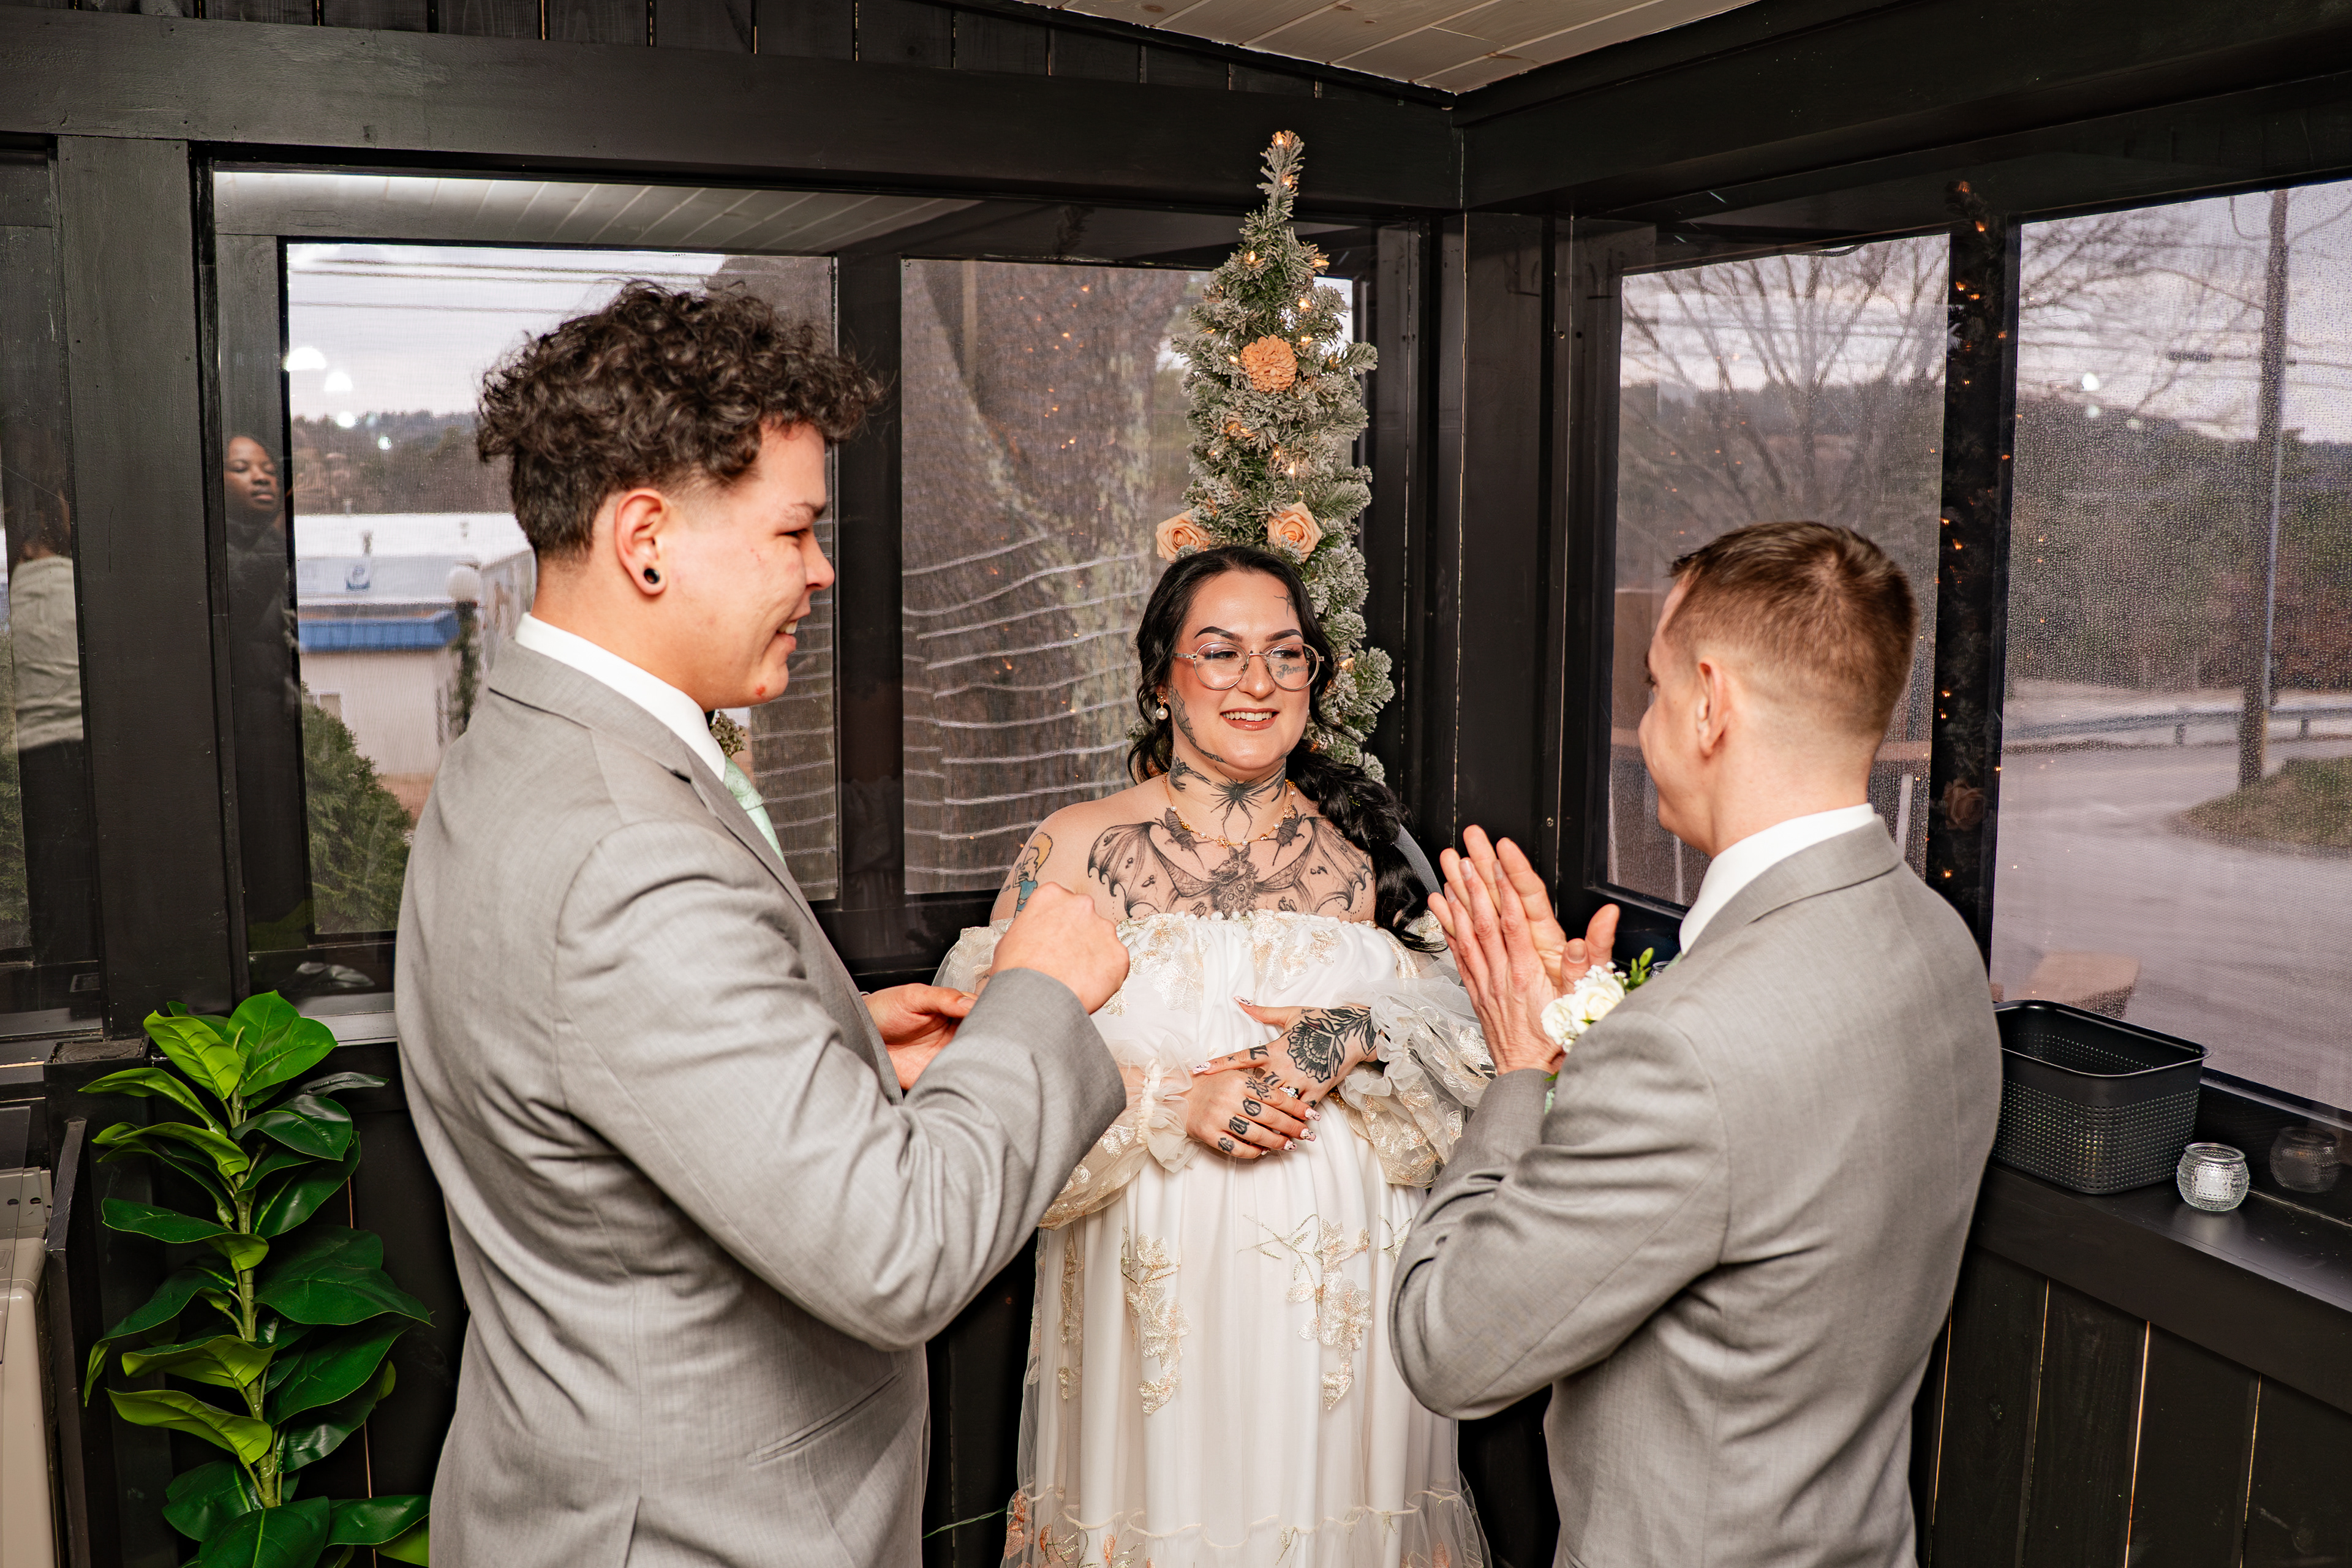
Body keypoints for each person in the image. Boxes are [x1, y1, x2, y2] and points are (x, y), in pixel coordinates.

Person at [394, 282, 1133, 1567]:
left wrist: (833, 1040)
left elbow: (602, 1058)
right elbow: (899, 1250)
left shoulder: (521, 738)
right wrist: (1040, 994)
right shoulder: (625, 852)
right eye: (794, 529)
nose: (820, 569)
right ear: (646, 539)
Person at [944, 544, 1594, 1568]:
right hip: (1151, 1299)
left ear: (1315, 678)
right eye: (1221, 652)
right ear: (1161, 679)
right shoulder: (1070, 849)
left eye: (1286, 654)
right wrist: (1171, 1104)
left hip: (1348, 1310)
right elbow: (988, 1078)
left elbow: (1491, 1055)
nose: (1258, 680)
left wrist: (1352, 1034)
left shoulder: (1375, 852)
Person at [1394, 520, 2002, 1567]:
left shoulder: (1687, 1051)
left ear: (1711, 704)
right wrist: (1596, 1037)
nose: (1647, 720)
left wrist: (1523, 1071)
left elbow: (1447, 1346)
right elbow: (1770, 1163)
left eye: (1654, 686)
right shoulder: (1937, 940)